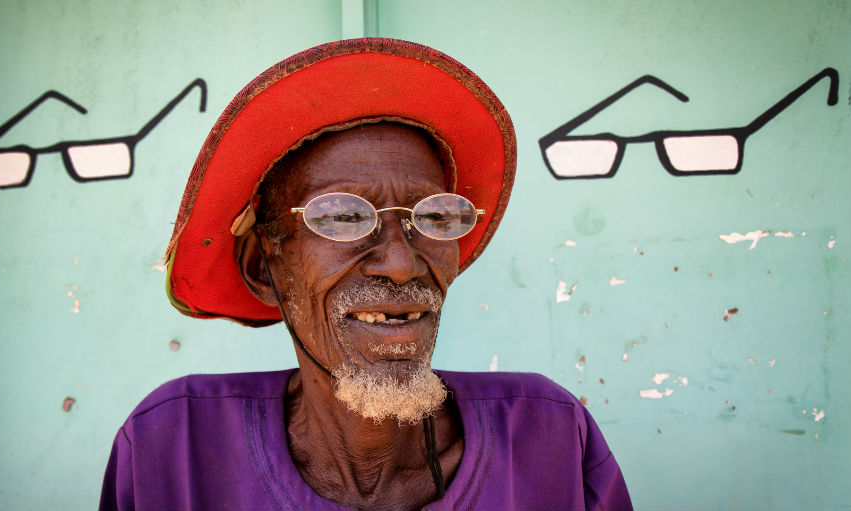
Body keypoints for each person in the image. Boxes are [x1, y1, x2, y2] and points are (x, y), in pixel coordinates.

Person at [100, 38, 632, 511]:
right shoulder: (171, 449)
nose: (402, 263)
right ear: (265, 268)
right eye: (343, 217)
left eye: (434, 217)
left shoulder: (548, 438)